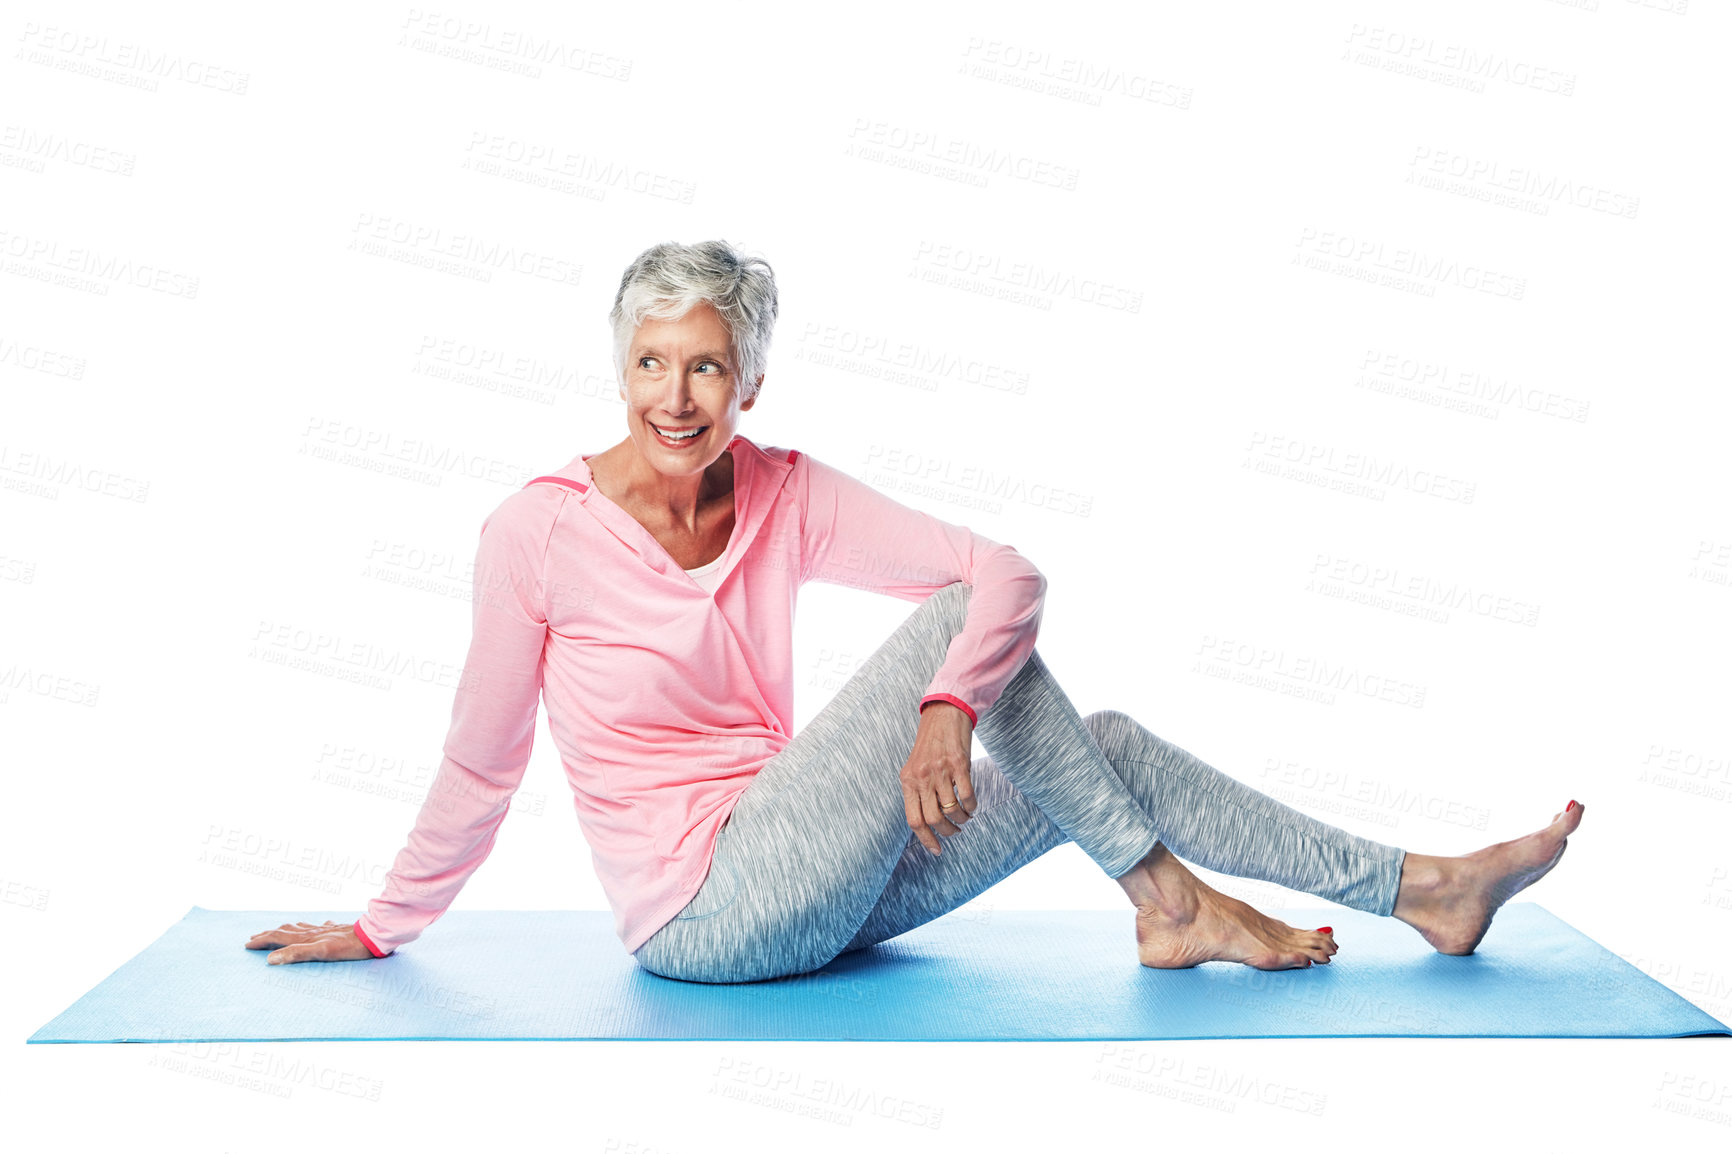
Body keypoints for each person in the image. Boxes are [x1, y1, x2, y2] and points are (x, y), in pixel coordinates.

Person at [247, 240, 1585, 981]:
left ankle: (1426, 887)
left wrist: (948, 711)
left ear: (747, 388)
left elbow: (1010, 575)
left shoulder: (784, 489)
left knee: (1091, 734)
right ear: (617, 372)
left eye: (706, 364)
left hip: (829, 880)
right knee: (967, 638)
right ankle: (1170, 895)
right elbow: (482, 760)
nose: (674, 393)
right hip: (705, 917)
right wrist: (381, 923)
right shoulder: (534, 532)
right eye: (650, 361)